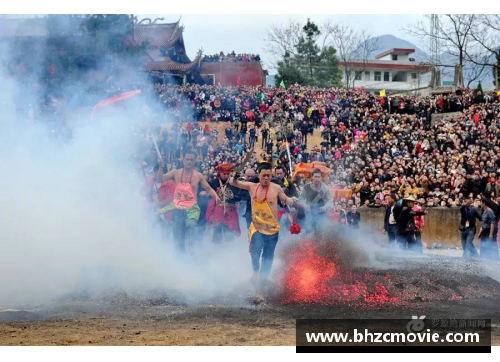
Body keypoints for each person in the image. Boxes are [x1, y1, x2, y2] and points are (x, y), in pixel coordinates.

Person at [230, 163, 298, 285]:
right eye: (264, 176)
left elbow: (285, 200)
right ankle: (255, 272)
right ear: (259, 175)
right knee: (255, 251)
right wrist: (234, 177)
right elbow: (234, 183)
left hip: (272, 227)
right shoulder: (252, 186)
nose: (266, 178)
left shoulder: (276, 188)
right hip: (257, 226)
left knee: (269, 254)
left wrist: (292, 200)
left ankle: (264, 276)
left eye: (268, 176)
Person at [156, 150, 220, 252]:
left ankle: (193, 251)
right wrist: (160, 166)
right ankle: (180, 258)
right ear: (183, 160)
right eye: (187, 159)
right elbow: (159, 179)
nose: (189, 162)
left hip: (191, 209)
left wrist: (216, 197)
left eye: (191, 160)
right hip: (177, 208)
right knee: (178, 236)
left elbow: (208, 188)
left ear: (195, 161)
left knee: (191, 226)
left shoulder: (198, 176)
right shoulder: (175, 173)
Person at [205, 163, 241, 243]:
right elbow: (208, 194)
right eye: (224, 174)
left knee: (229, 233)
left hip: (230, 212)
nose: (226, 175)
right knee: (217, 233)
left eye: (228, 174)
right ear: (219, 173)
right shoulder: (214, 182)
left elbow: (239, 197)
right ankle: (216, 251)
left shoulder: (234, 183)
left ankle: (229, 251)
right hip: (217, 212)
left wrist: (232, 197)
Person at [300, 169, 333, 234]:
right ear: (312, 177)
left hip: (321, 212)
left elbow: (330, 200)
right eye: (315, 177)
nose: (317, 179)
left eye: (318, 177)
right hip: (309, 212)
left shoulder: (325, 188)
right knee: (308, 229)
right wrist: (304, 205)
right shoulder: (306, 187)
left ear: (321, 178)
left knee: (320, 230)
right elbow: (301, 199)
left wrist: (325, 207)